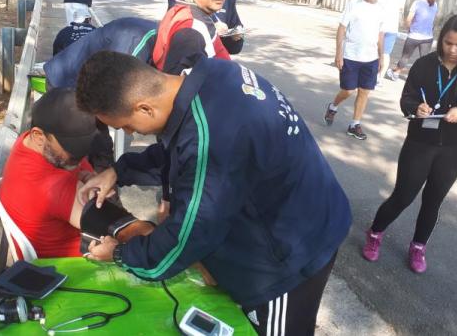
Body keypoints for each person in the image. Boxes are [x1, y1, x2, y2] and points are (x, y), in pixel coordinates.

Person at [74, 51, 352, 335]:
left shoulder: (214, 135)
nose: (134, 134)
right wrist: (119, 171)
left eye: (127, 126)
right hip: (293, 208)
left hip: (288, 253)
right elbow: (185, 154)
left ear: (145, 108)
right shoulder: (214, 76)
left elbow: (189, 236)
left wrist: (121, 254)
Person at [363, 14, 457, 273]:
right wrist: (416, 107)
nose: (453, 50)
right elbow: (406, 99)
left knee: (433, 201)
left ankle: (418, 246)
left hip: (455, 148)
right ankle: (375, 233)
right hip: (420, 143)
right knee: (403, 195)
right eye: (448, 43)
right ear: (441, 39)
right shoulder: (424, 65)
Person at [0, 88, 155, 259]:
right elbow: (134, 233)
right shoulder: (54, 186)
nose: (80, 158)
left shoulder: (26, 144)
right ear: (39, 136)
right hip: (73, 267)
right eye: (71, 148)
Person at [324, 0, 385, 140]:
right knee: (348, 90)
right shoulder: (354, 5)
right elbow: (342, 29)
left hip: (371, 58)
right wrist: (338, 53)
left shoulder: (381, 8)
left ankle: (355, 124)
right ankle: (333, 106)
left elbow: (380, 34)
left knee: (364, 92)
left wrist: (381, 57)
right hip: (351, 56)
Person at [46, 17, 158, 88]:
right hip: (65, 83)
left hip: (79, 80)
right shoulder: (138, 38)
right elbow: (121, 84)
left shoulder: (151, 33)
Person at [387, 0, 438, 81]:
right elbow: (433, 20)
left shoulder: (417, 3)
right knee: (424, 59)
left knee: (405, 56)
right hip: (427, 37)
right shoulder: (434, 4)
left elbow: (409, 19)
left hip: (414, 35)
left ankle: (396, 73)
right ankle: (423, 78)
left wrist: (409, 28)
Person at [377, 0, 407, 85]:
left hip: (379, 24)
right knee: (386, 53)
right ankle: (380, 78)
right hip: (393, 26)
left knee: (375, 51)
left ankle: (371, 75)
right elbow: (401, 8)